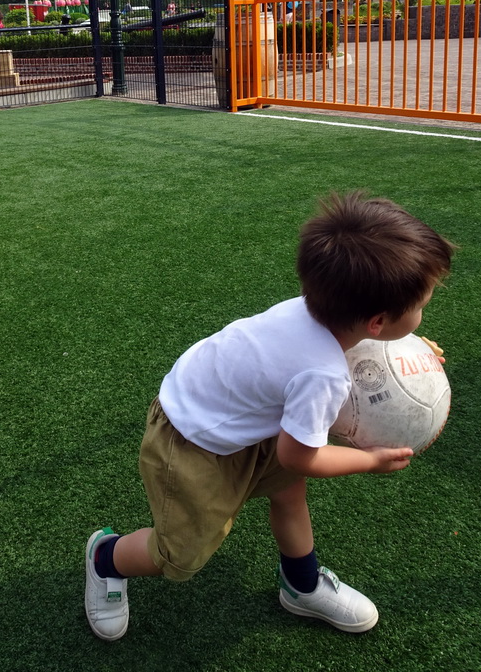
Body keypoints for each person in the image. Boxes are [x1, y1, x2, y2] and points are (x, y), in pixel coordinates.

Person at [85, 191, 454, 642]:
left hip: (244, 418)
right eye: (420, 307)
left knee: (288, 493)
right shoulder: (322, 374)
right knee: (180, 555)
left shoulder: (316, 308)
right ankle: (106, 558)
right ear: (376, 322)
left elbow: (353, 351)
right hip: (191, 441)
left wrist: (406, 349)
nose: (422, 313)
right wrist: (371, 460)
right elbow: (302, 456)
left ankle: (301, 585)